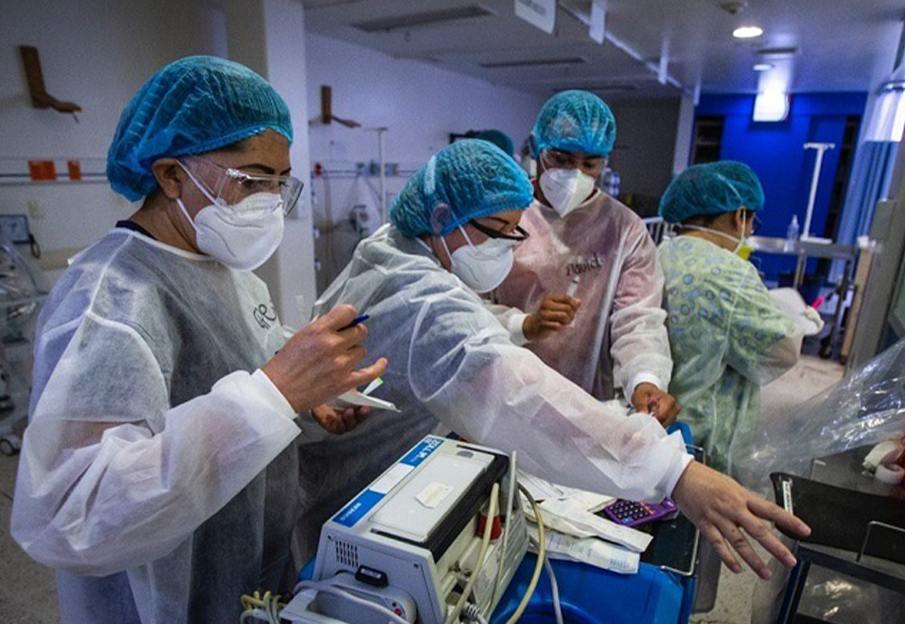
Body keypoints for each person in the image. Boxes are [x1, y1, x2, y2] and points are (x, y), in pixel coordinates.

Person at [9, 56, 385, 624]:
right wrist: (273, 394)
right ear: (171, 174)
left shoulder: (223, 272)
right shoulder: (110, 298)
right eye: (253, 180)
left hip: (241, 573)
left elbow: (240, 373)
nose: (271, 202)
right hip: (154, 604)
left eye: (281, 184)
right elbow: (74, 513)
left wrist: (305, 399)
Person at [296, 140, 809, 582]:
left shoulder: (396, 245)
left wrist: (642, 376)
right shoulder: (424, 297)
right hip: (361, 498)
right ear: (440, 218)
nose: (508, 248)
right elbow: (511, 390)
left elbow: (631, 316)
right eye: (498, 231)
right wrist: (673, 472)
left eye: (516, 232)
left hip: (363, 473)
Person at [487, 90, 679, 424]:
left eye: (589, 164)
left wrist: (645, 377)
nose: (574, 174)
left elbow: (638, 318)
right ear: (537, 150)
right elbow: (468, 304)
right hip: (503, 388)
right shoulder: (504, 212)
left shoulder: (624, 228)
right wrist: (523, 324)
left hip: (588, 397)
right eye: (561, 160)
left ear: (604, 163)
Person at [657, 161, 818, 476]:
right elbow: (779, 350)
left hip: (656, 419)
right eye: (751, 220)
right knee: (704, 516)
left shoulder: (659, 254)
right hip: (705, 436)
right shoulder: (731, 272)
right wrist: (799, 322)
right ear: (738, 215)